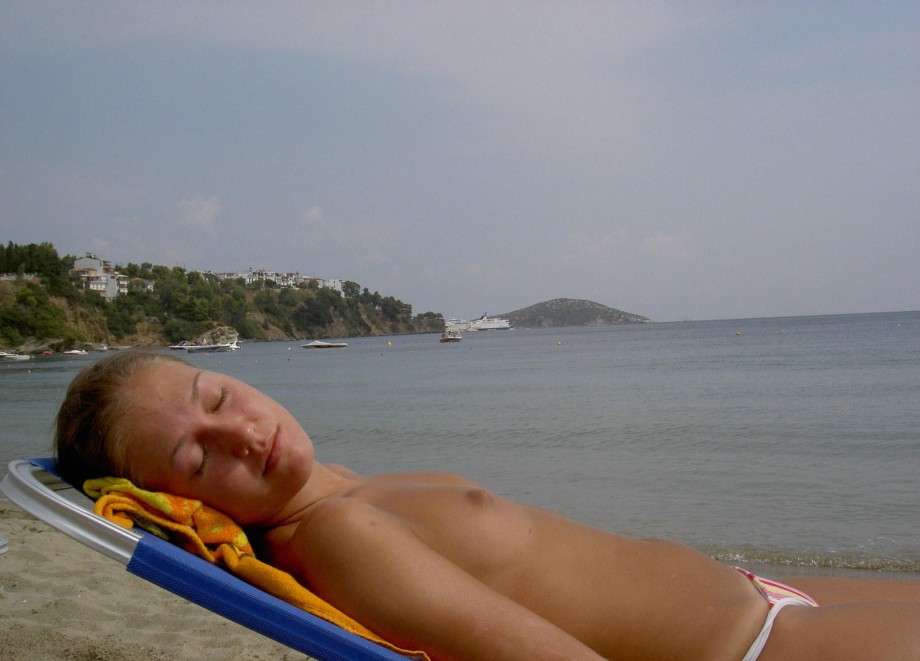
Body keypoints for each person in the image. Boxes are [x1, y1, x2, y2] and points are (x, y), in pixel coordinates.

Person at [55, 349, 920, 660]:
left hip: (767, 600)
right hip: (759, 648)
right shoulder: (338, 532)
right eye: (198, 455)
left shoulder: (340, 484)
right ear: (177, 499)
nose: (241, 433)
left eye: (215, 396)